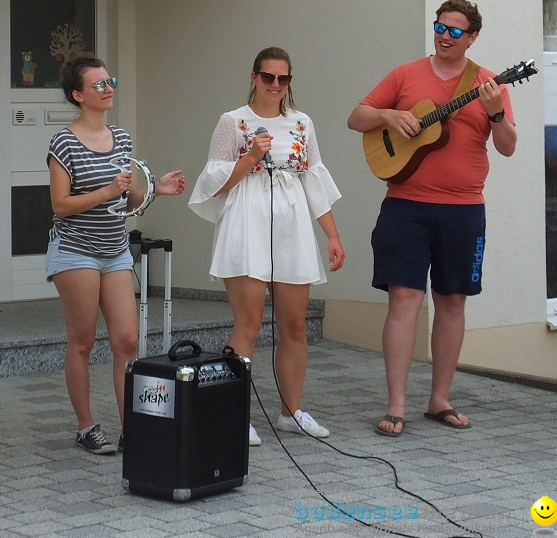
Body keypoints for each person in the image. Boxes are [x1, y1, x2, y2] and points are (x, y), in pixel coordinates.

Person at [347, 0, 517, 436]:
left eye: (455, 31)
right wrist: (391, 114)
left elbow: (508, 145)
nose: (444, 35)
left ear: (472, 37)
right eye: (439, 27)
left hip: (463, 210)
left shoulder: (489, 84)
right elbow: (356, 117)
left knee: (453, 301)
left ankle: (439, 399)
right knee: (404, 299)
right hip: (406, 205)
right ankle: (396, 405)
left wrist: (496, 111)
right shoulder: (406, 74)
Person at [189, 46, 345, 447]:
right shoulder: (234, 121)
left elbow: (313, 178)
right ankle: (231, 413)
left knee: (294, 325)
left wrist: (332, 234)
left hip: (291, 221)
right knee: (249, 324)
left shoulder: (301, 123)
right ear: (254, 76)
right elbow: (213, 181)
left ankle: (291, 411)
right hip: (247, 218)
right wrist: (250, 157)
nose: (276, 85)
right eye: (268, 77)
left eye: (284, 78)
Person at [47, 53, 186, 454]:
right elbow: (60, 205)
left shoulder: (121, 138)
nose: (108, 89)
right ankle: (86, 426)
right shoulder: (63, 142)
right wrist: (108, 191)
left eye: (111, 82)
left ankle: (134, 428)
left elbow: (126, 199)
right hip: (75, 251)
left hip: (115, 250)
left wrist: (156, 189)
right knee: (83, 340)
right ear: (78, 95)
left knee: (126, 340)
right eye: (99, 85)